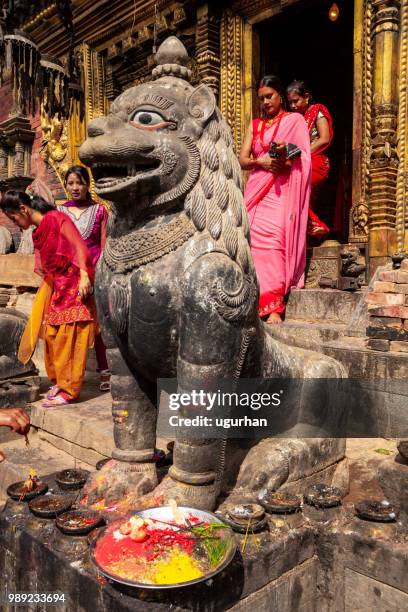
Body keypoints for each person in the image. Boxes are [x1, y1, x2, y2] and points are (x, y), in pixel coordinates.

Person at [0, 191, 96, 407]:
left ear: (23, 209)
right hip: (57, 286)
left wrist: (84, 276)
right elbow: (45, 265)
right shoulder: (38, 231)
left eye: (14, 218)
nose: (15, 223)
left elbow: (79, 246)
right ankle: (61, 382)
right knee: (52, 336)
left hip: (74, 284)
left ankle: (70, 390)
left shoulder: (56, 218)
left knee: (71, 336)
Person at [239, 75, 311, 324]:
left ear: (280, 96)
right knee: (252, 241)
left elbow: (300, 157)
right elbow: (243, 159)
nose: (266, 101)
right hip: (257, 189)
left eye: (270, 96)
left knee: (275, 241)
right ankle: (253, 300)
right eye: (261, 98)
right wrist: (263, 161)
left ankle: (274, 307)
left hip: (281, 190)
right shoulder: (255, 125)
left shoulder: (294, 120)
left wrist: (283, 156)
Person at [58, 165, 110, 392]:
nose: (75, 188)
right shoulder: (60, 212)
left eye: (80, 183)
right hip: (68, 275)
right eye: (71, 183)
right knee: (70, 325)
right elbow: (59, 246)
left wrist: (95, 275)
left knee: (99, 325)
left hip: (95, 273)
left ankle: (106, 371)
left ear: (88, 185)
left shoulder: (100, 211)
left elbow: (104, 244)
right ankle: (69, 375)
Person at [286, 80, 333, 239]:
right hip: (301, 163)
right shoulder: (295, 119)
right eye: (290, 102)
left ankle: (318, 226)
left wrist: (302, 152)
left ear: (306, 97)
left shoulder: (317, 110)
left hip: (317, 162)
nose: (292, 105)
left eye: (296, 101)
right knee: (300, 199)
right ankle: (311, 237)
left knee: (295, 192)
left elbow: (324, 139)